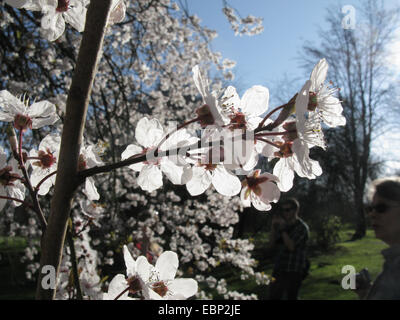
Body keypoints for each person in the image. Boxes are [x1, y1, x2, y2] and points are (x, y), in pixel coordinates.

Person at [354, 176, 400, 300]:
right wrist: (366, 292)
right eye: (370, 209)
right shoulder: (393, 262)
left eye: (381, 208)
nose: (372, 214)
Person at [268, 197, 310, 300]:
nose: (285, 213)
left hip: (294, 270)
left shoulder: (302, 227)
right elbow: (271, 245)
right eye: (283, 210)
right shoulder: (284, 226)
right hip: (279, 268)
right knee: (274, 296)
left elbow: (291, 247)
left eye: (288, 210)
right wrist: (273, 227)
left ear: (296, 210)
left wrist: (282, 230)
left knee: (291, 297)